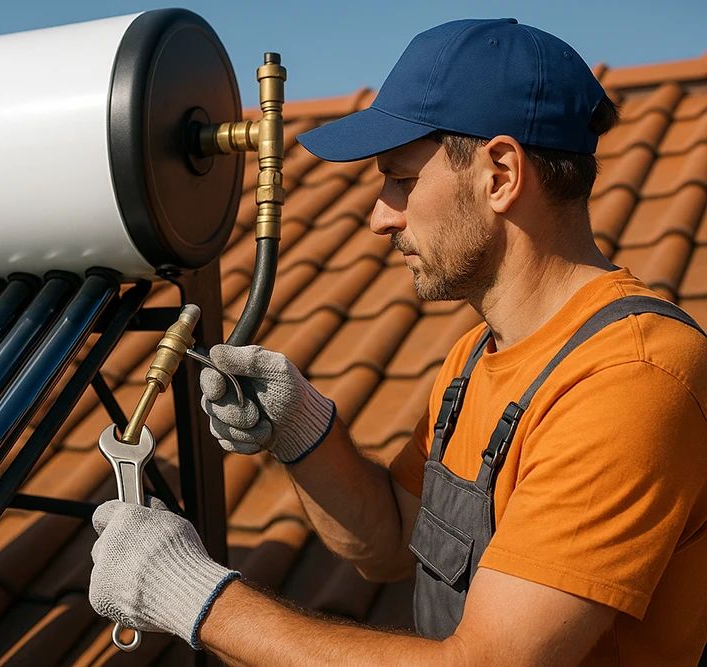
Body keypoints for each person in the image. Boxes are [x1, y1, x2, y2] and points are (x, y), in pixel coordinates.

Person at [88, 18, 707, 666]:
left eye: (402, 181)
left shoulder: (630, 381)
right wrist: (300, 426)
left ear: (500, 173)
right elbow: (390, 540)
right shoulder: (476, 359)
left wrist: (196, 597)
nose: (380, 215)